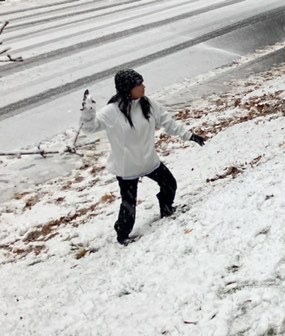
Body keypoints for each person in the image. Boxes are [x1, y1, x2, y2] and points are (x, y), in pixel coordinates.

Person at [80, 69, 206, 245]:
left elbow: (168, 122)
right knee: (128, 204)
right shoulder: (112, 111)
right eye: (139, 84)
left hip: (149, 161)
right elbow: (90, 128)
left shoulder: (148, 104)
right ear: (127, 88)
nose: (143, 87)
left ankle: (166, 208)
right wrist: (88, 112)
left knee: (170, 184)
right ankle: (122, 234)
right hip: (127, 167)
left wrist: (190, 136)